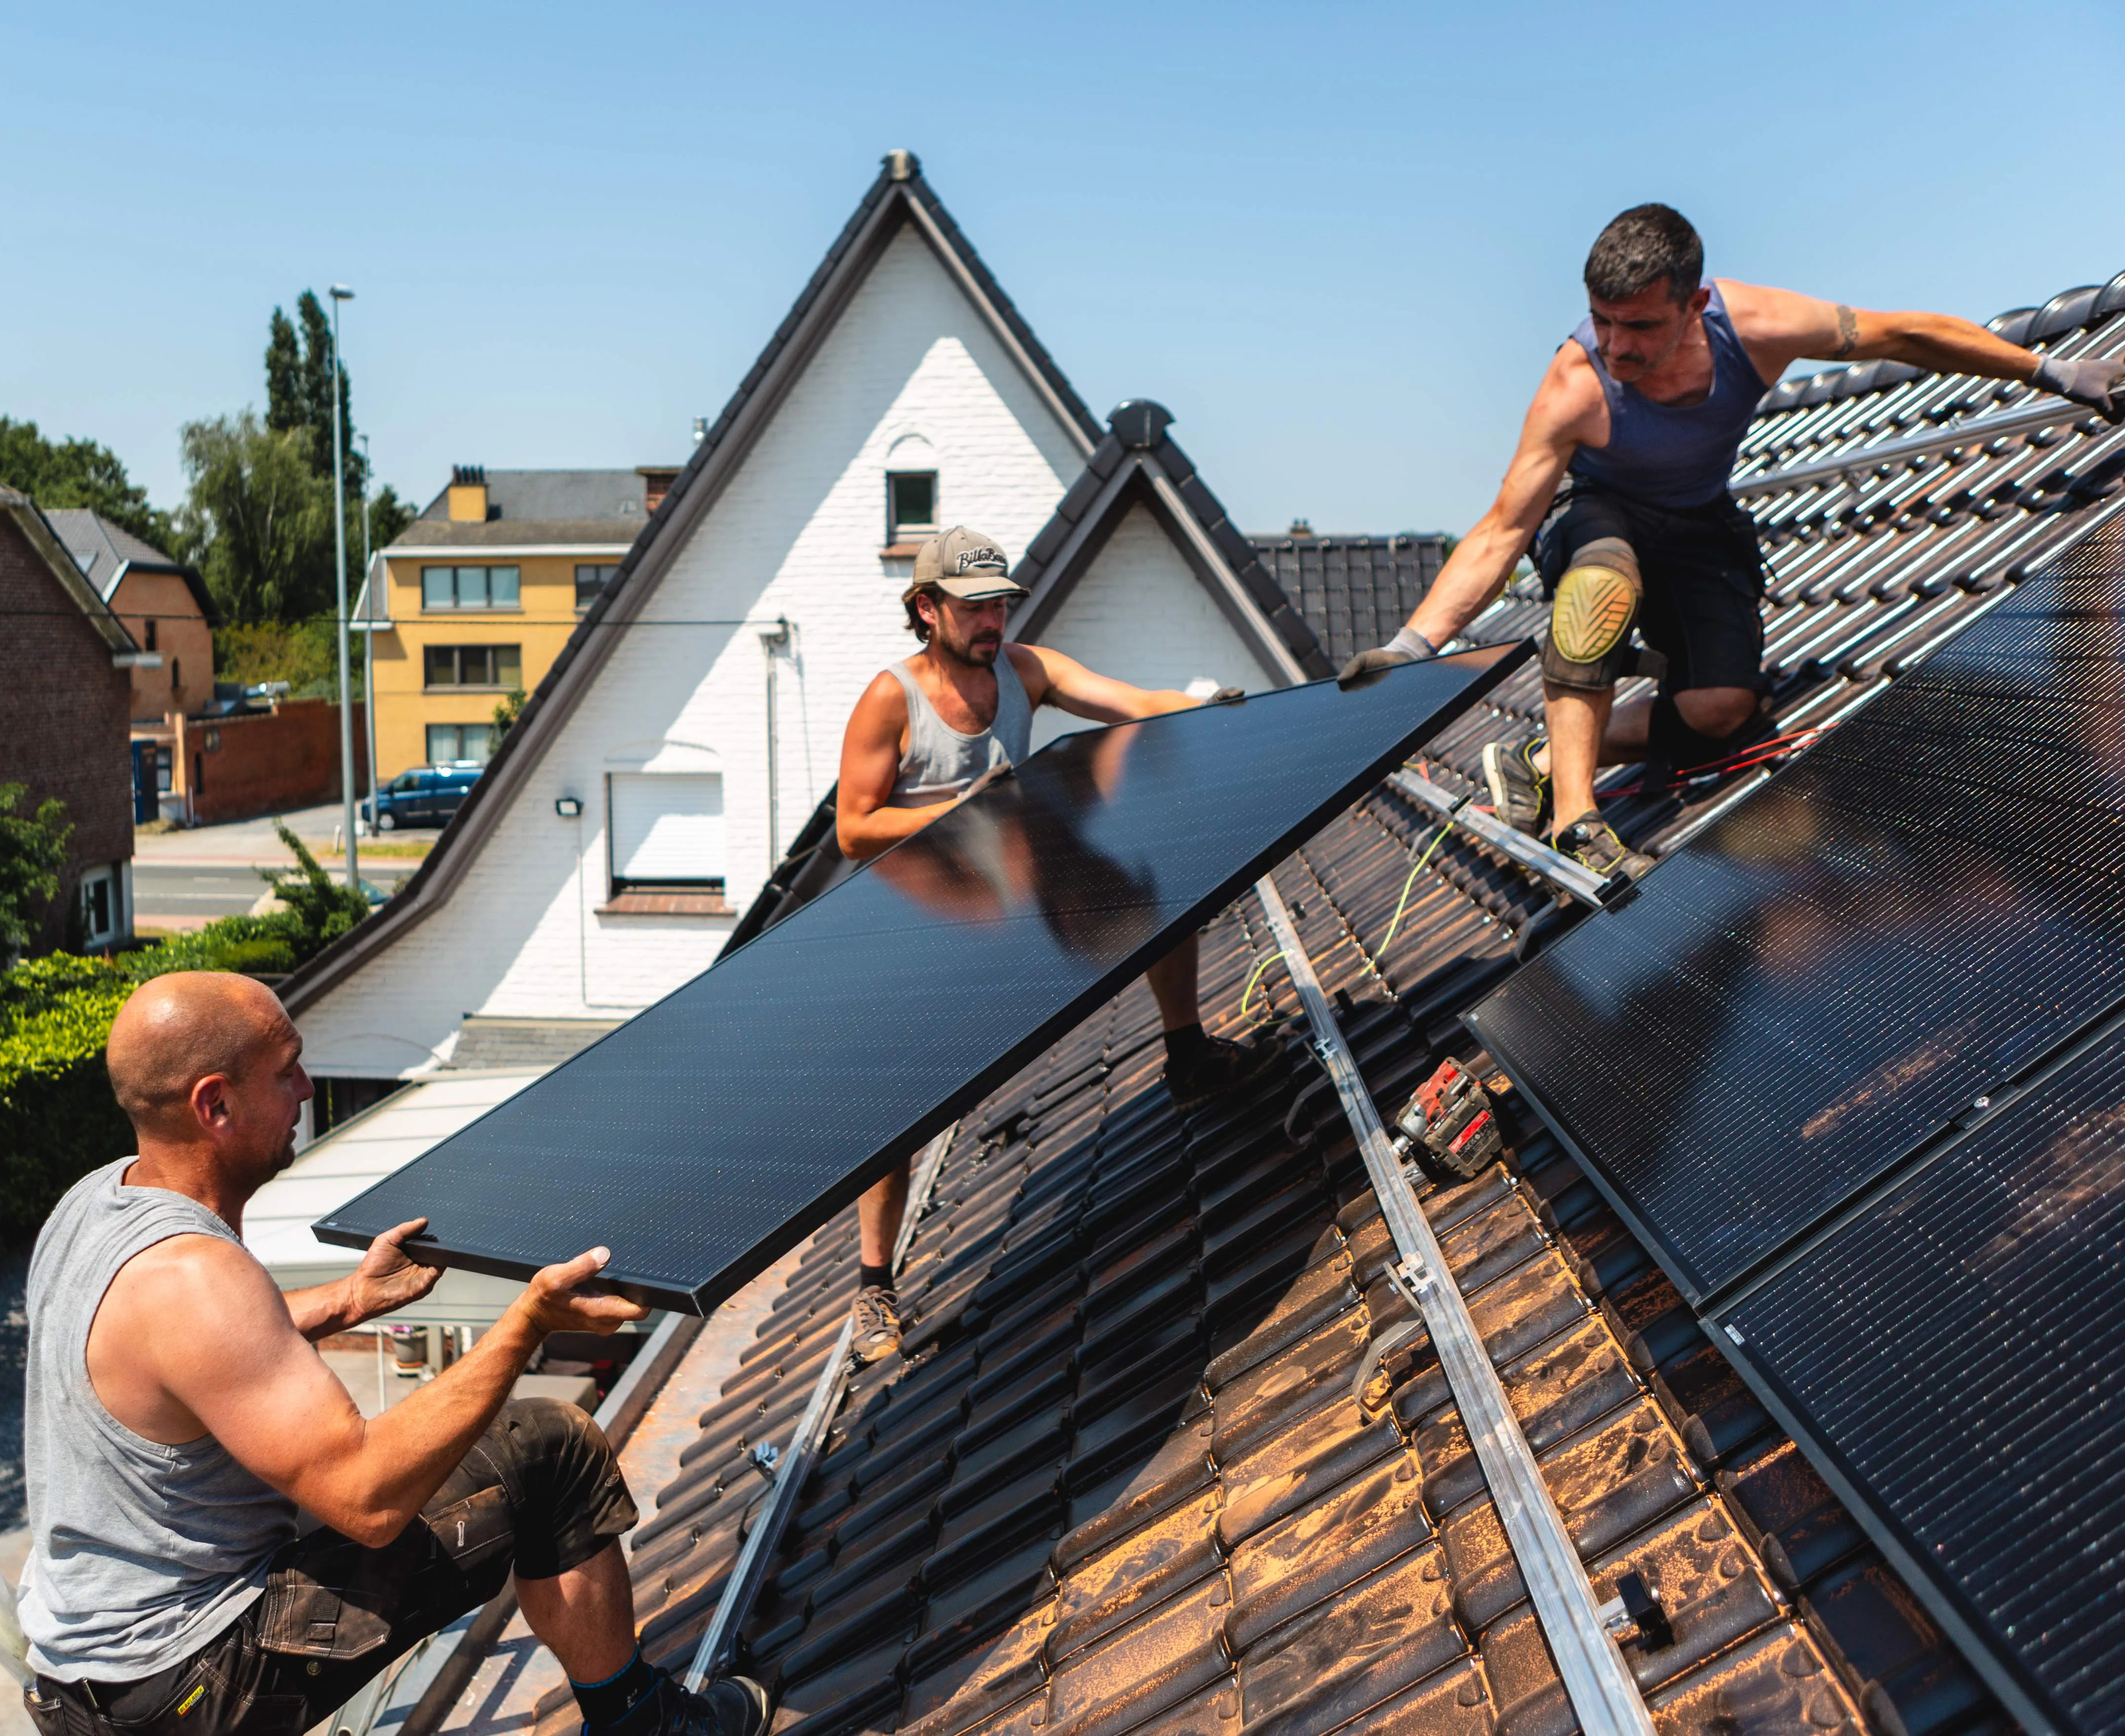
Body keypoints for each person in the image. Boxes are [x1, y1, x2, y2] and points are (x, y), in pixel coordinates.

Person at [15, 971, 770, 1736]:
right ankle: (648, 1727)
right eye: (288, 1071)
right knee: (552, 1449)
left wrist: (351, 1299)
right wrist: (528, 1324)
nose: (308, 1088)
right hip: (190, 1686)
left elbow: (199, 1354)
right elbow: (369, 1501)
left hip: (80, 1683)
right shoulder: (195, 1278)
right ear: (216, 1104)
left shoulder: (98, 1206)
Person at [1338, 203, 2125, 877]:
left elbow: (1903, 335)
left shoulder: (1754, 327)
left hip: (1700, 525)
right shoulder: (1576, 385)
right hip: (1600, 515)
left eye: (1639, 327)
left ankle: (1542, 761)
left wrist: (2052, 373)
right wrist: (1413, 649)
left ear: (1694, 303)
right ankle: (1576, 819)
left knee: (1721, 710)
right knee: (1598, 590)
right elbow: (1503, 527)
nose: (1616, 347)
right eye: (1602, 322)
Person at [827, 525, 1277, 1364]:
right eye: (975, 608)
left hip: (1009, 889)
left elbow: (1130, 702)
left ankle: (1187, 1053)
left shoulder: (1025, 669)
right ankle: (873, 1284)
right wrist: (966, 806)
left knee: (1149, 884)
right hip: (920, 913)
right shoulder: (892, 700)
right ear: (927, 609)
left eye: (1001, 604)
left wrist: (1222, 710)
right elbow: (855, 828)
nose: (993, 620)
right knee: (898, 1102)